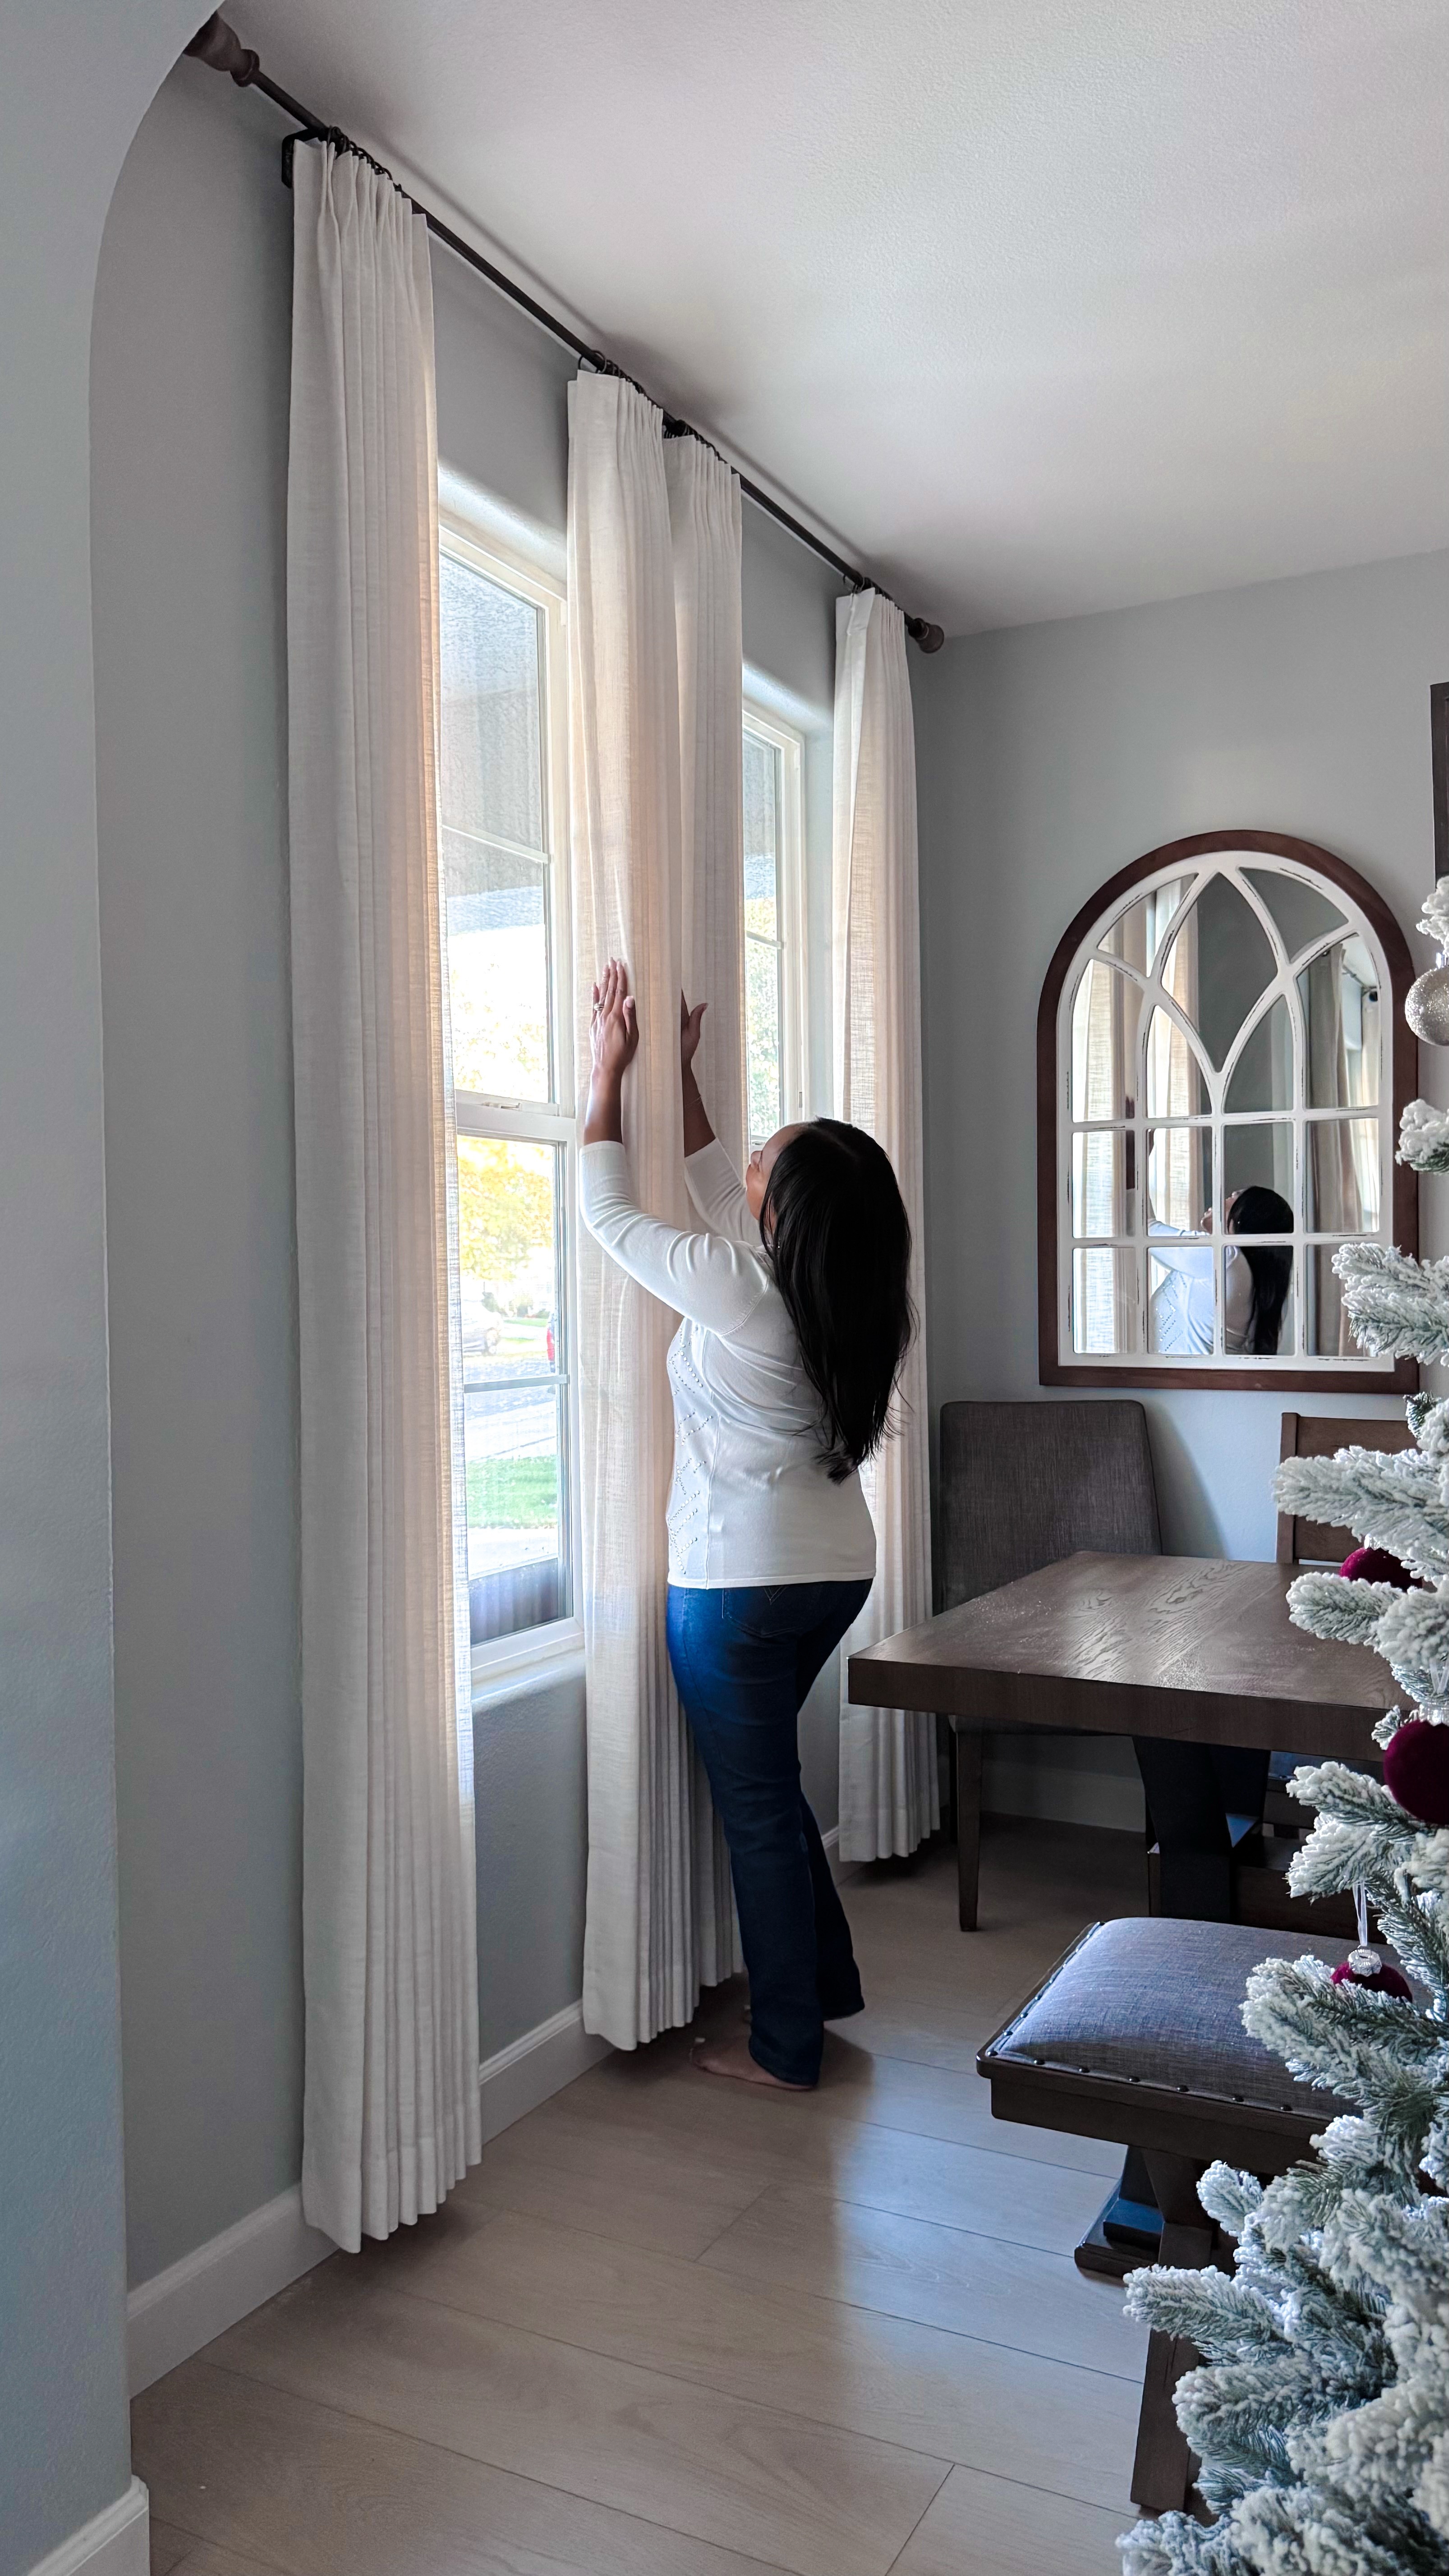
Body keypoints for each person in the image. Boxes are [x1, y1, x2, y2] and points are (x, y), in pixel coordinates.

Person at [580, 957, 915, 2091]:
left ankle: (786, 2049)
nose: (752, 1160)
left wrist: (607, 1079)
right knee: (777, 1790)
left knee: (761, 1811)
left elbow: (606, 1214)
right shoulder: (839, 1290)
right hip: (830, 1574)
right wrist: (679, 1075)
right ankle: (824, 1992)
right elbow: (725, 1187)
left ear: (792, 1207)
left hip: (740, 1590)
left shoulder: (742, 1286)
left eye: (772, 1153)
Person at [1149, 1183, 1293, 1356]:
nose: (1222, 1200)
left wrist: (1134, 1168)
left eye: (1234, 1196)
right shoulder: (1240, 1268)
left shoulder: (1224, 1257)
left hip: (1183, 1380)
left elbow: (1144, 1230)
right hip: (1192, 1380)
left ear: (1247, 1214)